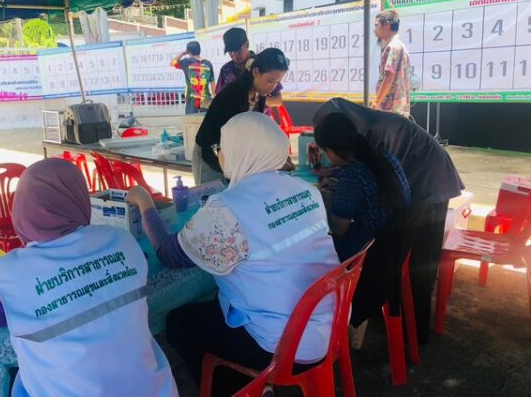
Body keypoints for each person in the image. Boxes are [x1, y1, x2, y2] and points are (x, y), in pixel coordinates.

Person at [126, 112, 340, 395]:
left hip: (282, 346)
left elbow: (170, 254)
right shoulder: (305, 190)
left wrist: (144, 203)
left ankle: (240, 389)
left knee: (180, 323)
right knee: (216, 302)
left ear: (241, 151)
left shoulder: (227, 209)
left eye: (222, 148)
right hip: (330, 326)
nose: (220, 155)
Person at [0, 159, 178, 397]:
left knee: (22, 379)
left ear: (21, 206)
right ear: (80, 198)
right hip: (155, 389)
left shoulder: (7, 273)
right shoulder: (122, 240)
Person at [313, 98, 465, 344]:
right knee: (417, 266)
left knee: (421, 265)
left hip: (428, 186)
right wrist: (334, 172)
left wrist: (325, 203)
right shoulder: (380, 151)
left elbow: (340, 227)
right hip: (394, 232)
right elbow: (372, 169)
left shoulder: (377, 132)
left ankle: (406, 330)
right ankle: (399, 323)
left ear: (331, 148)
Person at [314, 113, 410, 262]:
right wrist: (331, 173)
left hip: (371, 252)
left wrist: (324, 200)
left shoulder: (351, 176)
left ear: (330, 151)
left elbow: (339, 229)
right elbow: (368, 174)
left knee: (316, 246)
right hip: (400, 241)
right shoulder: (385, 157)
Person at [192, 47, 290, 184]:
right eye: (270, 81)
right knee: (215, 196)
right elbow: (231, 139)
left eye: (277, 82)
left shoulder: (259, 95)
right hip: (209, 155)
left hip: (230, 157)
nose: (273, 88)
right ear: (256, 72)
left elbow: (252, 135)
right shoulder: (234, 95)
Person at [216, 27, 283, 109]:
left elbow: (278, 100)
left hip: (258, 116)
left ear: (247, 44)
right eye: (230, 51)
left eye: (238, 50)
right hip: (234, 117)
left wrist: (258, 99)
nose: (234, 55)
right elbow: (219, 98)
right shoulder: (225, 70)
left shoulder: (263, 65)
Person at [373, 9, 411, 117]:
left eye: (376, 25)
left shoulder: (393, 47)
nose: (374, 30)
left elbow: (389, 77)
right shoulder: (400, 45)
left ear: (386, 25)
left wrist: (376, 103)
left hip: (390, 110)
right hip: (398, 109)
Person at [170, 40, 215, 114]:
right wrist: (215, 97)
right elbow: (212, 82)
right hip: (206, 98)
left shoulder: (186, 62)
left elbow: (172, 63)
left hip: (192, 99)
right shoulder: (208, 63)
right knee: (206, 119)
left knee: (191, 119)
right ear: (199, 50)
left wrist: (182, 53)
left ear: (189, 52)